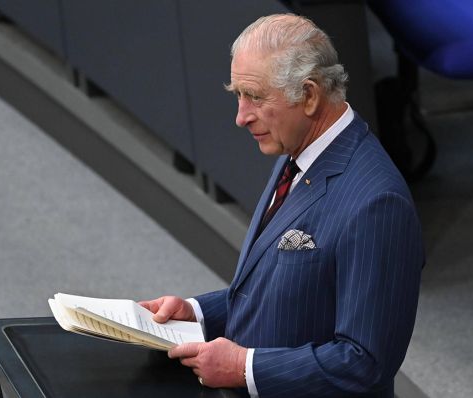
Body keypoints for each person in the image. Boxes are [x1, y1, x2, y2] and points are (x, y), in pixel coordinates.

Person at [140, 14, 424, 398]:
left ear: (308, 96)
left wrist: (243, 367)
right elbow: (289, 296)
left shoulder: (377, 203)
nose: (241, 117)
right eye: (237, 95)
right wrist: (197, 313)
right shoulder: (296, 153)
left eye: (255, 97)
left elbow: (365, 362)